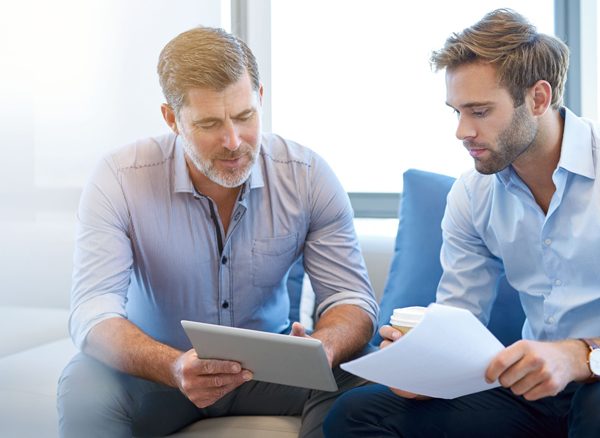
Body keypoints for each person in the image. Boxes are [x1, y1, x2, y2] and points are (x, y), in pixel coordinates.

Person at [57, 26, 379, 437]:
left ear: (260, 98)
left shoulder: (308, 176)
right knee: (83, 383)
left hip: (272, 372)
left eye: (245, 116)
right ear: (172, 118)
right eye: (209, 123)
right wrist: (173, 367)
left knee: (362, 377)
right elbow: (93, 312)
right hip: (159, 372)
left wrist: (325, 346)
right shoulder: (119, 178)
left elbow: (351, 299)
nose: (233, 141)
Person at [324, 8, 600, 438]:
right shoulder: (473, 194)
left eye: (480, 111)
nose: (462, 131)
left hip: (595, 383)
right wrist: (424, 366)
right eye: (456, 112)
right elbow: (459, 319)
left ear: (538, 98)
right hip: (534, 393)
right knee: (355, 414)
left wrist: (581, 358)